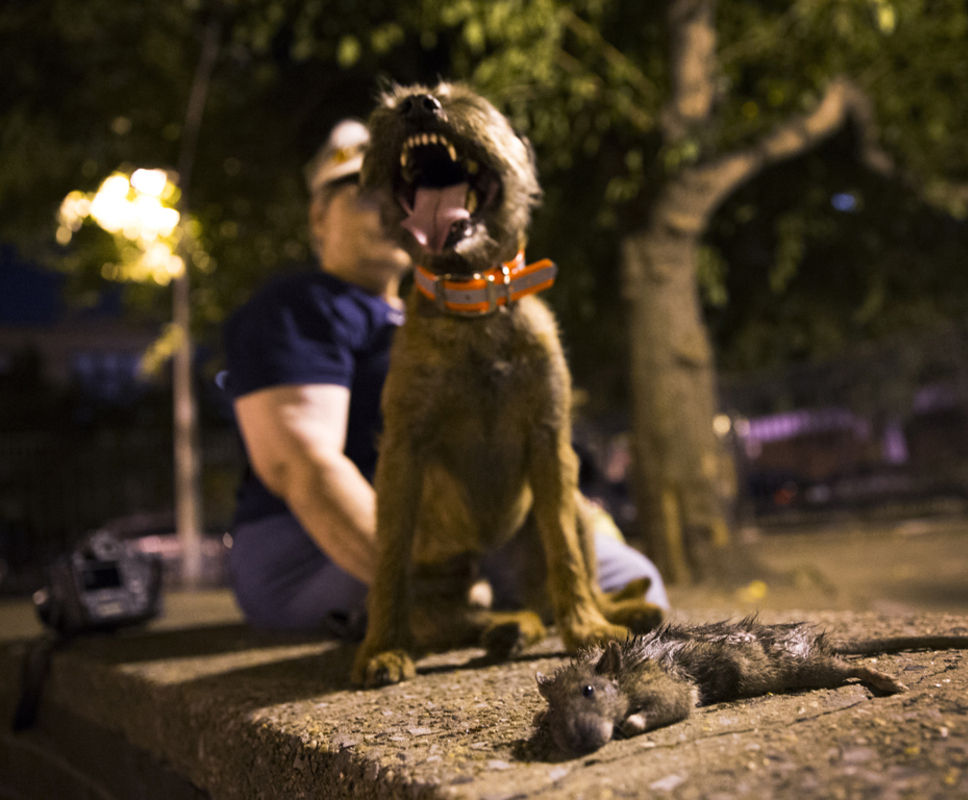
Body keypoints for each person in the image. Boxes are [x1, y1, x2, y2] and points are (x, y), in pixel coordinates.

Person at [223, 120, 667, 633]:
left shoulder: (437, 308)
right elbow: (302, 465)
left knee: (633, 583)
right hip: (314, 548)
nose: (392, 212)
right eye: (366, 195)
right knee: (613, 591)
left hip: (462, 528)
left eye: (403, 197)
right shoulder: (300, 305)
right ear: (318, 214)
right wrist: (431, 587)